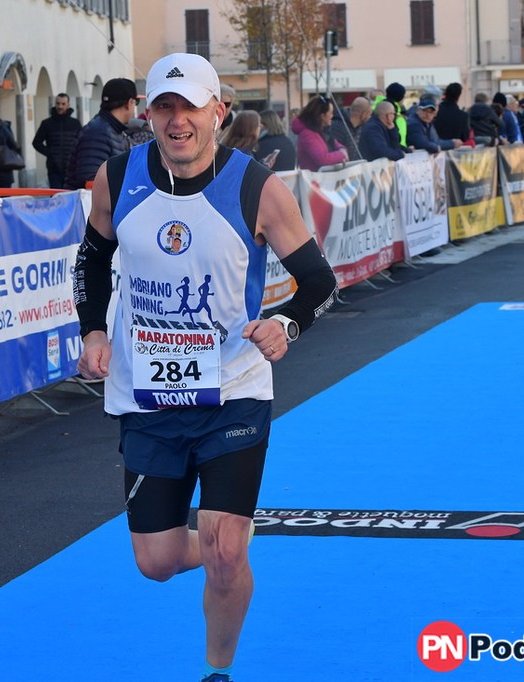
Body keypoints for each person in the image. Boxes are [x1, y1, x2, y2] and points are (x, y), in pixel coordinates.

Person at [73, 52, 337, 682]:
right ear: (147, 114)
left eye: (190, 107)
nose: (178, 121)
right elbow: (91, 259)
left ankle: (218, 668)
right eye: (164, 107)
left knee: (222, 550)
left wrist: (286, 323)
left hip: (233, 389)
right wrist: (92, 330)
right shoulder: (117, 177)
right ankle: (232, 543)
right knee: (157, 562)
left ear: (218, 111)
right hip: (148, 396)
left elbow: (319, 282)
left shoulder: (256, 188)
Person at [64, 78, 138, 189]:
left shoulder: (113, 130)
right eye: (136, 102)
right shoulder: (98, 133)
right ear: (129, 103)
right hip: (91, 200)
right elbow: (90, 181)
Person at [32, 93, 82, 190]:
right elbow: (36, 143)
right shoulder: (47, 123)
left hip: (71, 167)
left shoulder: (75, 123)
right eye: (58, 103)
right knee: (56, 195)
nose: (60, 106)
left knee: (70, 194)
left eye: (63, 104)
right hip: (54, 168)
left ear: (68, 105)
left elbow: (81, 143)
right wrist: (50, 153)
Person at [292, 95, 348, 170]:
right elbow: (322, 159)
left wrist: (341, 149)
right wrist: (341, 155)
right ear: (322, 116)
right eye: (331, 113)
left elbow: (335, 143)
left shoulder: (322, 131)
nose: (332, 116)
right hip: (314, 176)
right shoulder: (307, 135)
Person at [434, 82, 474, 148]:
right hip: (454, 149)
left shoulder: (434, 112)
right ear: (458, 97)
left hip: (435, 148)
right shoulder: (463, 116)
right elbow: (465, 137)